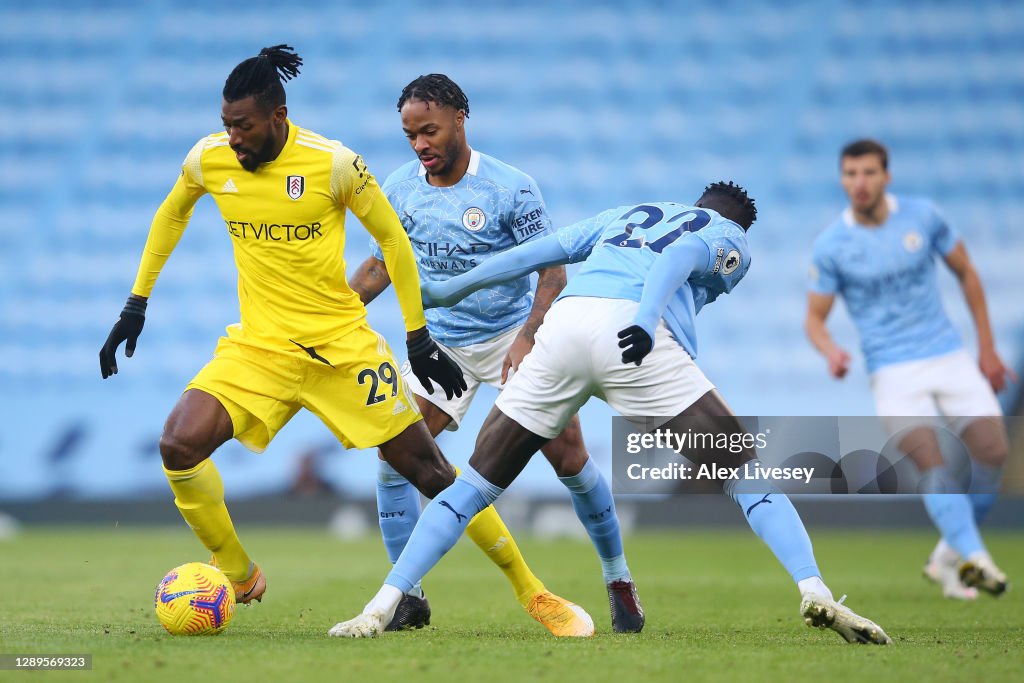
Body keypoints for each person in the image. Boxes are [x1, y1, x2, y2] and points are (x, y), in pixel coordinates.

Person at [96, 47, 590, 636]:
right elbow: (170, 215)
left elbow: (393, 244)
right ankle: (236, 568)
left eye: (244, 126)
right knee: (178, 445)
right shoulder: (209, 159)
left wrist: (417, 334)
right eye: (227, 124)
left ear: (278, 115)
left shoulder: (334, 165)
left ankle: (533, 593)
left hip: (342, 352)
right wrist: (136, 302)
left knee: (432, 474)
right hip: (260, 351)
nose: (232, 138)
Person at [329, 182, 891, 644]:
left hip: (565, 328)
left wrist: (453, 288)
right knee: (746, 475)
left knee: (471, 487)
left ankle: (380, 607)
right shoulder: (730, 239)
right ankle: (814, 589)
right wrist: (647, 318)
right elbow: (680, 256)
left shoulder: (629, 214)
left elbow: (537, 254)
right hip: (632, 334)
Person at [348, 74, 642, 634]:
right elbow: (381, 266)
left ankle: (617, 576)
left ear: (460, 118)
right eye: (410, 135)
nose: (420, 145)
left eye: (429, 131)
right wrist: (332, 309)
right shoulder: (401, 188)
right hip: (444, 348)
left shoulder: (511, 188)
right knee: (392, 453)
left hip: (514, 336)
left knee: (570, 458)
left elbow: (552, 271)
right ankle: (406, 595)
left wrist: (530, 334)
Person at [805, 139, 1014, 600]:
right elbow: (814, 319)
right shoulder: (832, 245)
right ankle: (976, 559)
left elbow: (968, 274)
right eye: (850, 174)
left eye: (868, 173)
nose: (859, 183)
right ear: (842, 179)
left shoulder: (923, 217)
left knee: (993, 451)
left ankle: (947, 557)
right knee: (929, 459)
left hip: (947, 355)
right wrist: (832, 351)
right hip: (892, 370)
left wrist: (988, 348)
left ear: (886, 176)